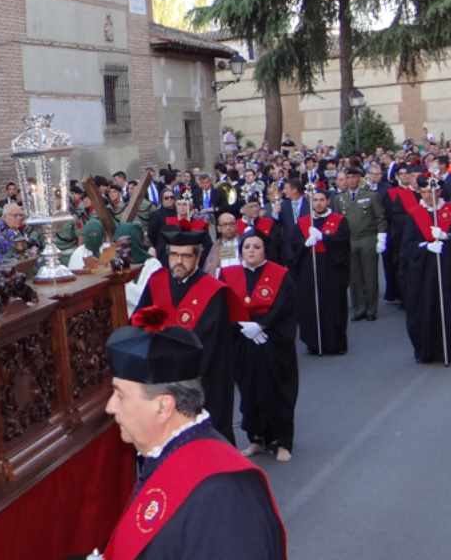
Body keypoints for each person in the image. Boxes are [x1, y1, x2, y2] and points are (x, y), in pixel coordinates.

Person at [75, 318, 293, 560]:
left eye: (119, 393)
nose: (110, 408)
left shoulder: (225, 498)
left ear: (164, 406)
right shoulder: (167, 455)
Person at [130, 230, 238, 443]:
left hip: (201, 378)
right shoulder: (157, 281)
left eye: (186, 256)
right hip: (160, 374)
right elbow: (139, 321)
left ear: (197, 257)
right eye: (174, 255)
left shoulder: (213, 291)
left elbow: (211, 342)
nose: (178, 262)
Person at [223, 233, 298, 461]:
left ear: (265, 250)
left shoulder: (280, 275)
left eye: (257, 246)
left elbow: (285, 307)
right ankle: (256, 438)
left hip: (273, 342)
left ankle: (282, 441)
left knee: (277, 391)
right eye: (247, 247)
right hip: (244, 341)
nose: (251, 251)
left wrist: (262, 326)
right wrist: (242, 327)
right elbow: (224, 307)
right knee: (249, 391)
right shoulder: (229, 275)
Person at [401, 177, 451, 364]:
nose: (429, 195)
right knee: (425, 311)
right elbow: (406, 247)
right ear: (420, 193)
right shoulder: (414, 215)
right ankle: (427, 351)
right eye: (424, 192)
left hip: (450, 271)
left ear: (439, 192)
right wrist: (425, 246)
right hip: (423, 274)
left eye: (433, 191)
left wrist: (446, 237)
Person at [290, 188, 350, 355]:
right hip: (309, 269)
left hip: (332, 269)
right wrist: (305, 244)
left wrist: (325, 238)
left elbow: (343, 242)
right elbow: (292, 247)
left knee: (334, 305)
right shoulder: (303, 222)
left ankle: (336, 343)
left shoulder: (339, 220)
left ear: (328, 201)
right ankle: (314, 343)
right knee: (311, 305)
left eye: (322, 200)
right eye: (315, 200)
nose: (318, 203)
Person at [334, 167, 387, 321]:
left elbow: (380, 218)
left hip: (367, 239)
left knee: (370, 275)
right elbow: (337, 222)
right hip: (349, 241)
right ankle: (359, 307)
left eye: (353, 177)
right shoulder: (340, 198)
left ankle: (371, 309)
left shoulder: (371, 196)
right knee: (354, 277)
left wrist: (381, 238)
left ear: (359, 178)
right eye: (347, 177)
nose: (350, 180)